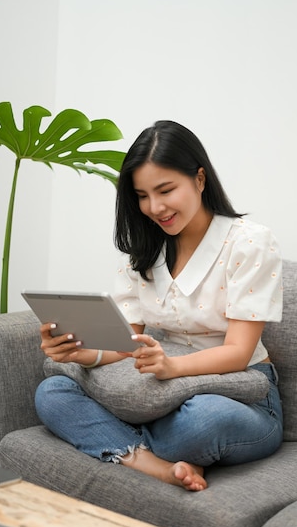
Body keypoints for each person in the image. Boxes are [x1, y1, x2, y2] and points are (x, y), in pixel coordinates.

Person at [35, 120, 283, 492]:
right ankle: (156, 465)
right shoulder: (143, 252)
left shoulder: (250, 242)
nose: (155, 207)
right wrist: (79, 353)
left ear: (200, 179)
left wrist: (171, 366)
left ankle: (123, 438)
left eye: (166, 190)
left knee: (200, 421)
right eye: (142, 195)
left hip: (238, 393)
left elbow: (237, 351)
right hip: (158, 394)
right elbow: (127, 342)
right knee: (52, 393)